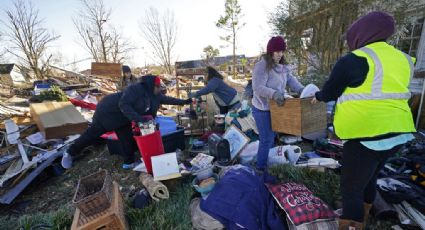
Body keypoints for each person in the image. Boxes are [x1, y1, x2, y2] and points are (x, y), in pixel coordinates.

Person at [312, 12, 416, 230]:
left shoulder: (354, 59)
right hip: (397, 134)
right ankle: (366, 215)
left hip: (366, 136)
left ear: (360, 35)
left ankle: (351, 224)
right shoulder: (403, 59)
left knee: (351, 189)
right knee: (369, 178)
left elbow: (331, 92)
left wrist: (318, 96)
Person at [62, 75, 192, 169]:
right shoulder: (136, 89)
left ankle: (128, 162)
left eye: (160, 87)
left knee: (126, 138)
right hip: (108, 111)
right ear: (151, 85)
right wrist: (140, 119)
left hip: (124, 118)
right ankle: (70, 152)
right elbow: (123, 104)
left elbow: (168, 99)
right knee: (92, 135)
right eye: (157, 86)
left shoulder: (154, 95)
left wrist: (185, 102)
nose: (159, 89)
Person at [252, 36, 304, 171]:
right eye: (277, 51)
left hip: (277, 108)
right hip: (262, 108)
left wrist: (303, 90)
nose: (280, 54)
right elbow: (258, 87)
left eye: (282, 51)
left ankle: (269, 161)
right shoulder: (261, 66)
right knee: (266, 139)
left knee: (273, 137)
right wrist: (274, 94)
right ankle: (260, 169)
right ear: (270, 52)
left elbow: (291, 80)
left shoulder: (283, 67)